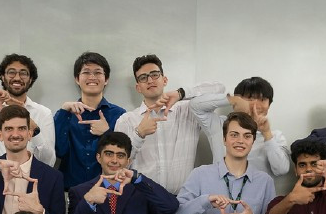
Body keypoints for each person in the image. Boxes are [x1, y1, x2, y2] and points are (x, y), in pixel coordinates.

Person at [165, 113, 276, 214]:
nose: (240, 141)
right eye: (234, 135)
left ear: (253, 141)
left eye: (247, 136)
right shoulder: (200, 174)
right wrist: (205, 201)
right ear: (224, 139)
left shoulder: (265, 181)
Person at [113, 55, 227, 193]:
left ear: (164, 80)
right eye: (143, 77)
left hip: (183, 201)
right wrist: (139, 134)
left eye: (154, 75)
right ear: (138, 87)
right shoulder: (126, 120)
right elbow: (117, 165)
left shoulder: (187, 110)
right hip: (143, 203)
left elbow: (219, 88)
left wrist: (180, 93)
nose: (150, 80)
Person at [55, 52, 128, 187]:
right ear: (77, 79)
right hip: (70, 190)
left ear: (106, 79)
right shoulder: (65, 114)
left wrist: (107, 133)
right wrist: (64, 110)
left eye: (98, 72)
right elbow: (59, 151)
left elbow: (124, 155)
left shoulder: (120, 115)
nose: (92, 77)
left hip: (108, 189)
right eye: (86, 72)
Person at [204, 77, 293, 180]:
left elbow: (282, 170)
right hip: (220, 193)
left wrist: (267, 134)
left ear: (269, 105)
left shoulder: (275, 136)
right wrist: (232, 99)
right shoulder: (219, 126)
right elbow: (196, 107)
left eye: (263, 99)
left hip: (257, 194)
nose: (255, 105)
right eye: (250, 99)